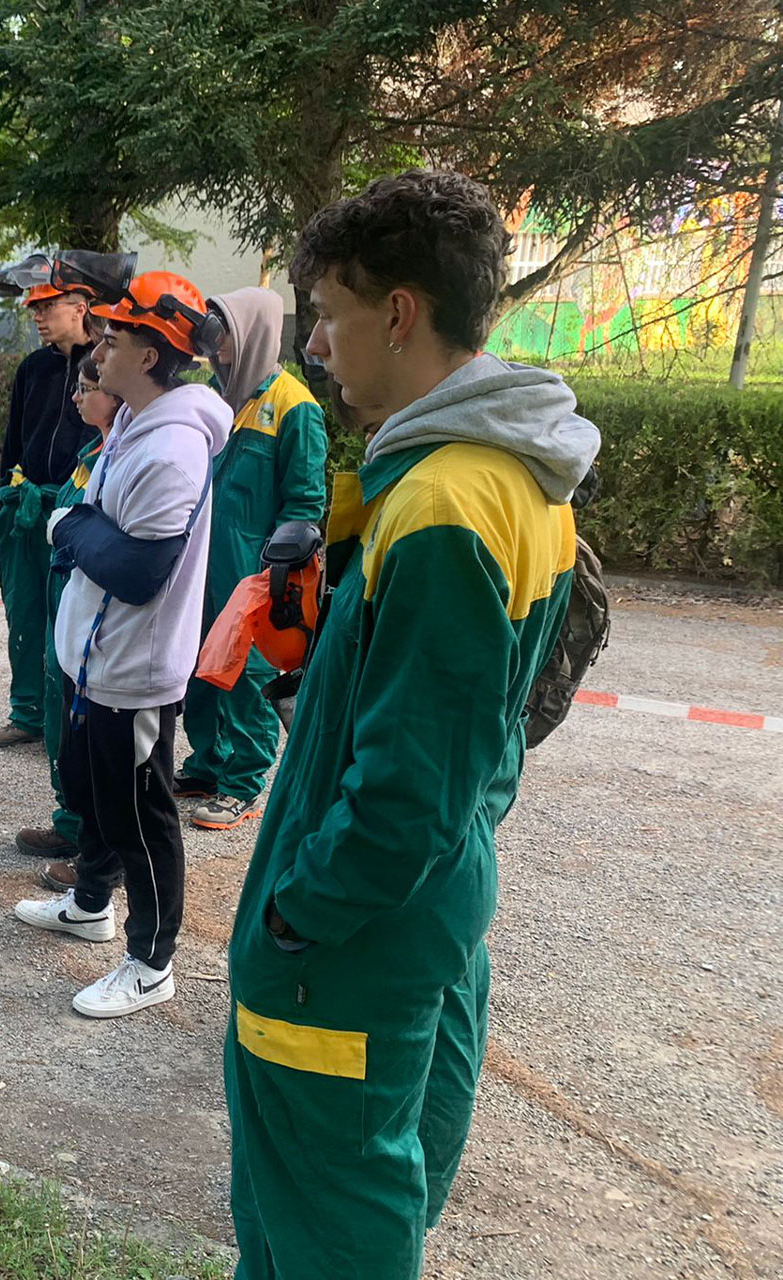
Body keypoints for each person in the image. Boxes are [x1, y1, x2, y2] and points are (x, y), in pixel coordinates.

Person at [225, 171, 599, 1280]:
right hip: (431, 905)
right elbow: (474, 717)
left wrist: (299, 909)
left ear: (398, 311)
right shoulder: (510, 476)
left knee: (328, 1215)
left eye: (333, 315)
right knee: (384, 1171)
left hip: (354, 936)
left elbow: (408, 793)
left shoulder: (443, 506)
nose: (320, 347)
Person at [11, 270, 229, 1018]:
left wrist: (68, 526)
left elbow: (138, 570)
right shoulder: (134, 423)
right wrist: (82, 528)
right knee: (95, 795)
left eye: (114, 335)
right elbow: (103, 533)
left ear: (149, 352)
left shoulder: (172, 446)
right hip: (93, 657)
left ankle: (150, 960)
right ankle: (91, 903)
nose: (99, 346)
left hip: (134, 668)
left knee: (142, 815)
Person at [176, 287, 328, 832]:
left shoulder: (294, 406)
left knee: (245, 674)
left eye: (225, 340)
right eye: (212, 342)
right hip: (198, 566)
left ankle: (243, 783)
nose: (216, 352)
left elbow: (305, 503)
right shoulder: (210, 398)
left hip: (254, 572)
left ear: (255, 336)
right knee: (198, 668)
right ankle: (206, 764)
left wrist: (280, 575)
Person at [0, 271, 100, 757]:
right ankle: (26, 714)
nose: (36, 317)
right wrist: (3, 500)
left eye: (45, 307)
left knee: (69, 619)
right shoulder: (33, 368)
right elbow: (13, 437)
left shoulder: (104, 367)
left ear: (79, 307)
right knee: (24, 614)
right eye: (32, 308)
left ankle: (67, 722)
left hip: (73, 508)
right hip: (26, 510)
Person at [21, 358, 118, 891]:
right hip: (69, 604)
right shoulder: (90, 454)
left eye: (87, 389)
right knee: (65, 722)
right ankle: (71, 824)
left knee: (97, 736)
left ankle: (101, 855)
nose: (77, 398)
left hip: (101, 619)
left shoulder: (124, 457)